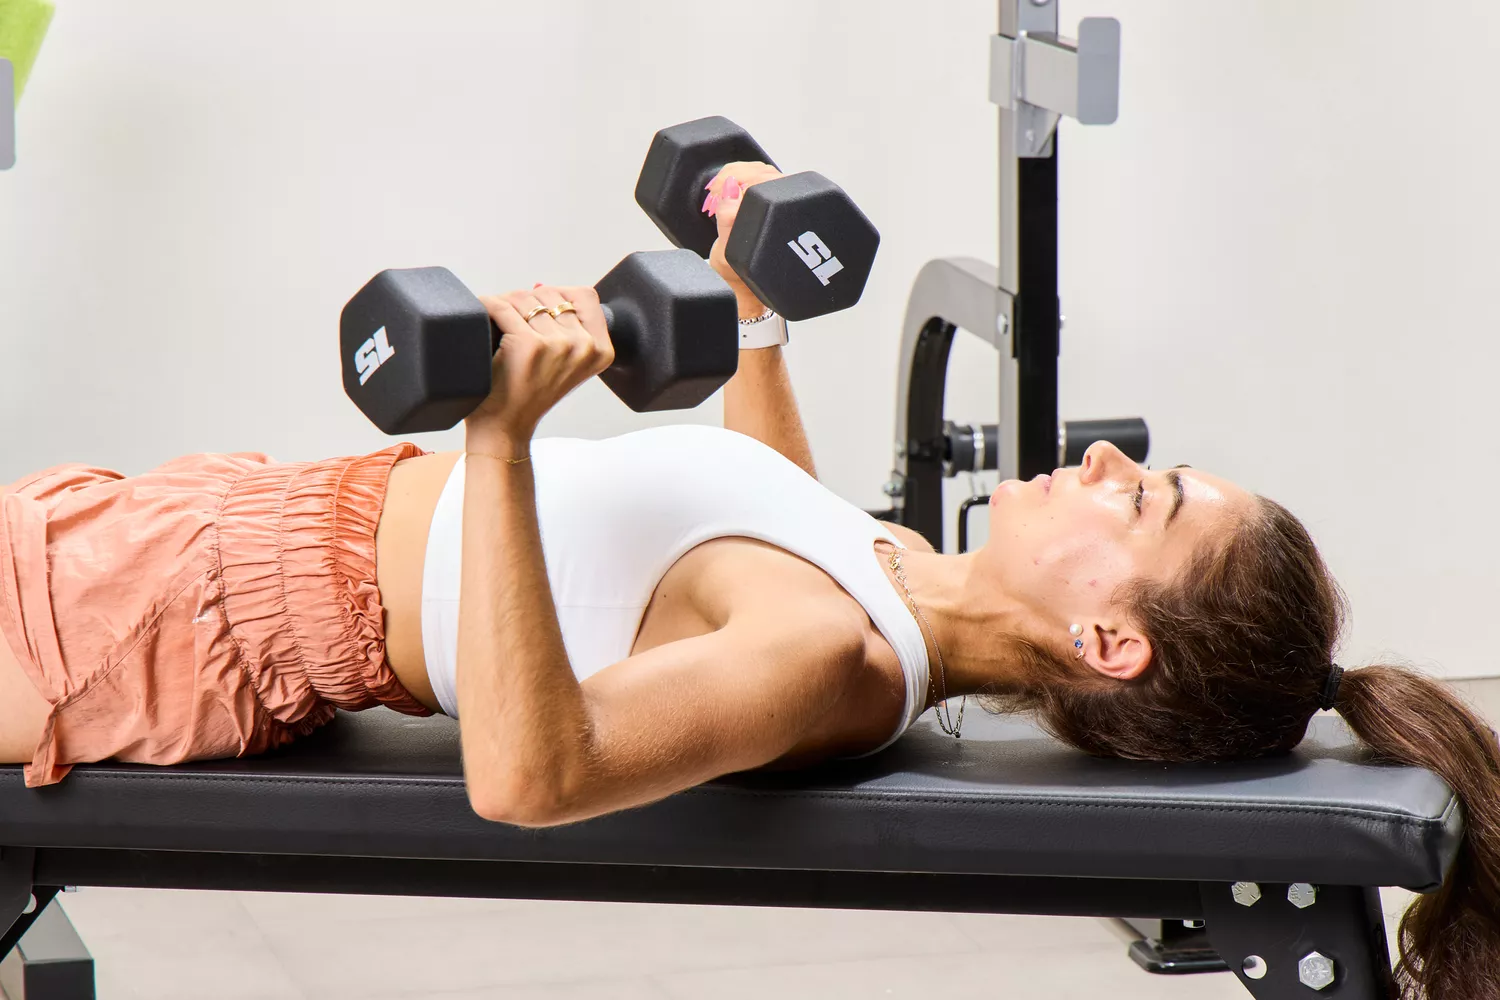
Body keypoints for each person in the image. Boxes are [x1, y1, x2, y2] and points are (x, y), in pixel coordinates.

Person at [1, 166, 1497, 998]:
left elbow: (532, 774)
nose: (1107, 462)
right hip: (189, 539)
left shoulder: (832, 658)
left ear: (1110, 639)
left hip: (172, 626)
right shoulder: (886, 582)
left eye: (1148, 501)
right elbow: (763, 516)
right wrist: (755, 320)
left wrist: (505, 438)